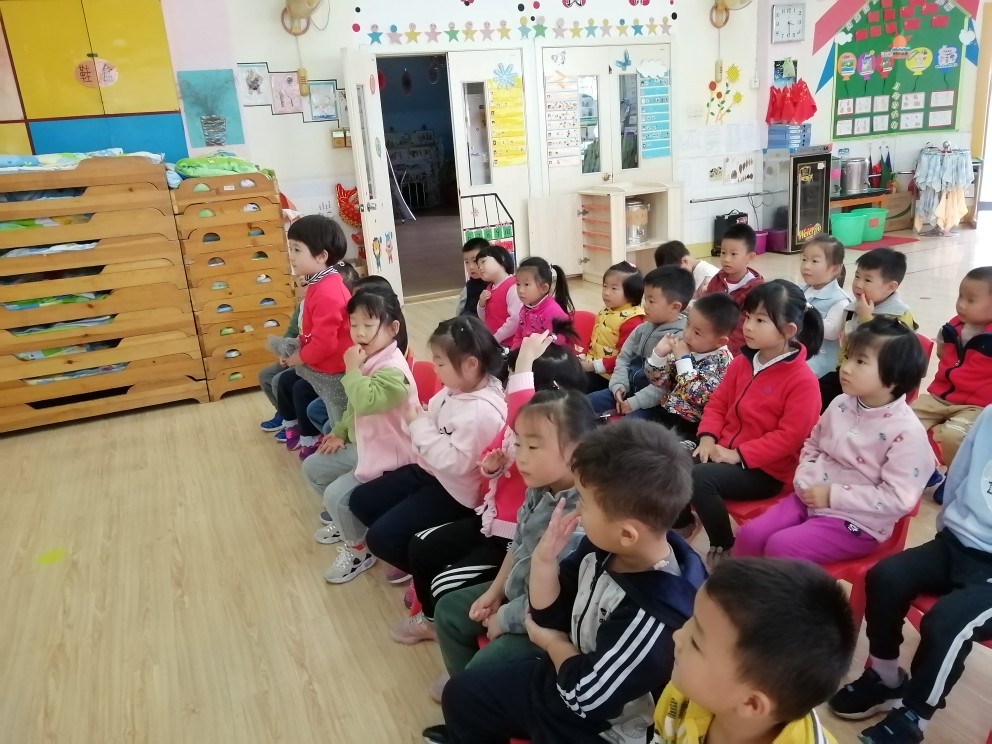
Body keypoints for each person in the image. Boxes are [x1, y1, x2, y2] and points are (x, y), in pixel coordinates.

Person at [428, 420, 706, 744]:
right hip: (560, 674)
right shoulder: (604, 548)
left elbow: (587, 698)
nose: (579, 511)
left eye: (584, 503)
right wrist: (544, 563)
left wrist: (552, 644)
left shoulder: (652, 617)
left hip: (597, 726)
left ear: (627, 533)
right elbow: (550, 615)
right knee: (460, 694)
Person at [393, 332, 588, 646]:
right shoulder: (529, 456)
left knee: (445, 590)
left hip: (509, 550)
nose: (522, 455)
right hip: (493, 523)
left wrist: (524, 362)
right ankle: (434, 619)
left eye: (517, 382)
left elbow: (553, 591)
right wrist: (491, 466)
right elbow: (492, 452)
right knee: (422, 546)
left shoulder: (567, 487)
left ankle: (442, 627)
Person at [828, 405, 992, 744]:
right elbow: (961, 471)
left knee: (947, 622)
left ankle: (914, 715)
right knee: (886, 577)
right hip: (957, 542)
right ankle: (886, 677)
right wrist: (949, 526)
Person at [424, 386, 598, 701]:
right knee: (449, 610)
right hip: (519, 592)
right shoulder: (541, 486)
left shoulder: (583, 513)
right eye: (518, 443)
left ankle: (472, 694)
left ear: (577, 449)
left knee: (480, 673)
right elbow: (517, 543)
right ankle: (467, 692)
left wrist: (503, 619)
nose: (521, 457)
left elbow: (557, 600)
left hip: (547, 621)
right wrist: (495, 592)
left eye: (533, 446)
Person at [734, 318, 931, 563]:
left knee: (782, 547)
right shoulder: (840, 404)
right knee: (750, 535)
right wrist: (806, 477)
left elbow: (899, 498)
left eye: (860, 362)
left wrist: (833, 496)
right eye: (847, 357)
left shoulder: (907, 432)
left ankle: (769, 589)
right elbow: (813, 444)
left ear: (895, 377)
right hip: (808, 497)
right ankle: (736, 586)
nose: (845, 368)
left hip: (857, 522)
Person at [347, 315, 507, 583]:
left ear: (470, 364)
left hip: (454, 492)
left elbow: (455, 463)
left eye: (440, 363)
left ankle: (424, 571)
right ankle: (412, 550)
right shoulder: (455, 389)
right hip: (429, 471)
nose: (435, 368)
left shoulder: (482, 412)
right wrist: (419, 421)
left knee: (380, 538)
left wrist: (417, 424)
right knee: (361, 501)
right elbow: (431, 420)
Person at [676, 280, 823, 562]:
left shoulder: (803, 381)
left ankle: (723, 545)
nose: (748, 326)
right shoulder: (742, 362)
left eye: (760, 320)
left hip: (766, 471)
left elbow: (789, 438)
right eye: (748, 317)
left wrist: (738, 455)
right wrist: (707, 437)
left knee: (700, 479)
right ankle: (682, 524)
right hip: (724, 450)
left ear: (788, 331)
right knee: (673, 460)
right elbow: (718, 403)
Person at [654, 558, 856, 744]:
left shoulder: (693, 689)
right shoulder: (685, 696)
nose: (678, 635)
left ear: (751, 703)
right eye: (692, 619)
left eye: (696, 642)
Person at [299, 286, 420, 583]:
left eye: (369, 324)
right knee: (313, 467)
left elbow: (366, 400)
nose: (360, 332)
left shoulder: (393, 369)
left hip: (392, 456)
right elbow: (356, 408)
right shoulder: (370, 357)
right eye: (354, 324)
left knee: (336, 496)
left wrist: (351, 369)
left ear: (393, 328)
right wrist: (340, 431)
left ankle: (358, 550)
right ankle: (350, 525)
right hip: (366, 445)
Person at [274, 215, 353, 458]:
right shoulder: (319, 283)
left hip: (335, 371)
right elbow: (312, 332)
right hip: (324, 365)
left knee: (341, 419)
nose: (292, 256)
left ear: (321, 256)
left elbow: (325, 343)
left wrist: (299, 358)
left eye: (297, 249)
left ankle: (345, 458)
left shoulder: (328, 291)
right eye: (291, 249)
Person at [911, 266, 992, 501]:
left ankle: (957, 478)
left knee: (953, 436)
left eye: (971, 300)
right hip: (939, 397)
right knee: (903, 421)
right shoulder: (950, 329)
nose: (962, 304)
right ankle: (924, 470)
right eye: (960, 296)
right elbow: (942, 355)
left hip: (974, 405)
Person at [586, 266, 693, 420]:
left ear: (675, 307)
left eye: (651, 301)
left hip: (653, 405)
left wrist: (634, 402)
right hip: (627, 390)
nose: (645, 305)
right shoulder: (642, 328)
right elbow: (623, 358)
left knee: (627, 428)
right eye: (645, 299)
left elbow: (666, 387)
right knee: (583, 404)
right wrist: (618, 385)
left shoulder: (679, 341)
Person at [818, 247, 916, 411]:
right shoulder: (852, 309)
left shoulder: (899, 315)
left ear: (890, 287)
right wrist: (842, 369)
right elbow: (845, 347)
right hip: (849, 374)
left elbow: (891, 355)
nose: (858, 284)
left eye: (868, 280)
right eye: (857, 276)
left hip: (881, 383)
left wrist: (866, 318)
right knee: (814, 392)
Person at [643, 292, 738, 441]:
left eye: (697, 333)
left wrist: (683, 360)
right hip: (665, 411)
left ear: (720, 341)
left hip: (691, 426)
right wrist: (659, 355)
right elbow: (660, 382)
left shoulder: (722, 363)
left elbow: (699, 397)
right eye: (688, 324)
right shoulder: (688, 346)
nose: (687, 334)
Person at [581, 261, 646, 392]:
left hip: (609, 376)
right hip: (593, 365)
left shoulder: (632, 321)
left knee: (573, 386)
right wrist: (585, 355)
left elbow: (626, 358)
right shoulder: (607, 310)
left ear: (632, 292)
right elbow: (595, 339)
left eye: (614, 288)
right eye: (605, 286)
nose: (606, 292)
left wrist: (591, 366)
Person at [701, 223, 764, 355]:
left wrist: (720, 349)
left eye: (733, 254)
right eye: (723, 252)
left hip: (735, 352)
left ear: (750, 257)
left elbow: (744, 330)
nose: (726, 259)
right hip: (710, 342)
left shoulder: (756, 290)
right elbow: (705, 311)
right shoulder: (717, 279)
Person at [799, 233, 851, 379]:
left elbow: (832, 331)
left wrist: (805, 309)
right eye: (804, 259)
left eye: (814, 261)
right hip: (799, 354)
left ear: (834, 269)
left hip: (819, 365)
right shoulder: (802, 290)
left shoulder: (840, 300)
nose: (806, 266)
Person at [508, 256, 575, 350]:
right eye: (518, 284)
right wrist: (514, 351)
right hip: (529, 353)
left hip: (549, 356)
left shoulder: (552, 312)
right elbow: (519, 334)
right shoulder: (526, 307)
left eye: (526, 284)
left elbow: (556, 348)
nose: (520, 290)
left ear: (544, 288)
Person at [258, 300, 302, 433]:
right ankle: (283, 414)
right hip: (295, 353)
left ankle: (294, 422)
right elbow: (292, 331)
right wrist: (284, 352)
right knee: (265, 375)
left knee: (279, 380)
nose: (303, 290)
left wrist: (298, 357)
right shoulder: (302, 304)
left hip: (306, 358)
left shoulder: (322, 302)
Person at [475, 244, 522, 345]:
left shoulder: (513, 286)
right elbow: (485, 318)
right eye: (478, 266)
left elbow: (516, 319)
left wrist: (496, 338)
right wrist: (481, 304)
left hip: (512, 345)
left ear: (501, 258)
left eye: (483, 262)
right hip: (496, 342)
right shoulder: (489, 288)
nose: (480, 268)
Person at [455, 237, 490, 317]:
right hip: (470, 322)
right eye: (467, 262)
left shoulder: (496, 283)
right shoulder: (469, 286)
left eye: (475, 261)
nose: (470, 267)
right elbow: (460, 310)